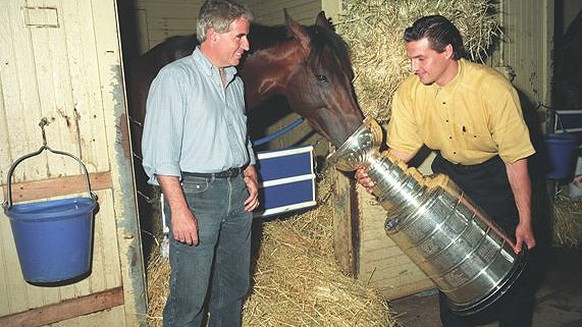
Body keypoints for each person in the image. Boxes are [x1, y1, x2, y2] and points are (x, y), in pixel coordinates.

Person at [355, 15, 537, 327]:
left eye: (421, 58)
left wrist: (525, 220)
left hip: (496, 178)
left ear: (448, 52)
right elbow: (401, 152)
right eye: (411, 59)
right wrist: (376, 171)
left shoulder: (493, 90)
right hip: (450, 178)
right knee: (447, 261)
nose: (414, 67)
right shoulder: (409, 93)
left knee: (513, 265)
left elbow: (515, 161)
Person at [141, 1, 258, 326]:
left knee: (233, 288)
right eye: (240, 37)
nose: (246, 45)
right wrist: (179, 210)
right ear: (212, 34)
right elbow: (160, 155)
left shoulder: (235, 81)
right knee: (190, 297)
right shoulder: (175, 79)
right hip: (196, 195)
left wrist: (248, 170)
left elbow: (241, 134)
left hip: (237, 195)